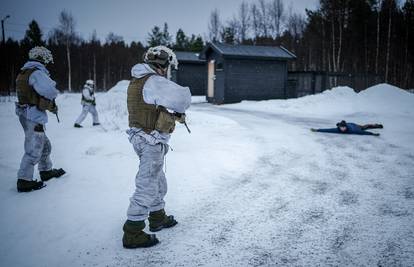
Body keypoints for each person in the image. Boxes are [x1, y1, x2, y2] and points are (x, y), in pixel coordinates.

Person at [122, 46, 191, 248]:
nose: (167, 69)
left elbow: (151, 104)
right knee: (148, 184)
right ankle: (133, 231)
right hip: (150, 140)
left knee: (158, 180)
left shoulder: (138, 80)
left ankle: (157, 216)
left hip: (141, 137)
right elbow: (182, 99)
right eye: (167, 66)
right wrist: (177, 111)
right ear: (162, 65)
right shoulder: (154, 80)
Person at [15, 46, 66, 192]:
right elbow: (50, 90)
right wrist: (51, 101)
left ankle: (45, 170)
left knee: (45, 145)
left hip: (26, 114)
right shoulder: (37, 73)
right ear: (42, 58)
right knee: (34, 148)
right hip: (32, 115)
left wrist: (46, 104)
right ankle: (24, 180)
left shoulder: (24, 72)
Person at [311, 120, 383, 136]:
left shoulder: (353, 130)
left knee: (365, 127)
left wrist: (372, 134)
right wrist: (317, 130)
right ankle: (340, 123)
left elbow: (362, 132)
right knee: (338, 125)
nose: (342, 129)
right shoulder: (338, 129)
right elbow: (328, 130)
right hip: (347, 123)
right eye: (341, 128)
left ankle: (376, 125)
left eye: (343, 128)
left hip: (354, 125)